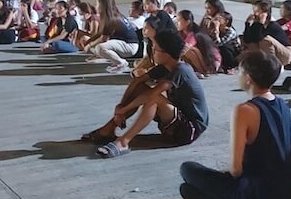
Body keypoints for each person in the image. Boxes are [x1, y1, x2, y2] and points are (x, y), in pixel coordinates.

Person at [179, 51, 291, 199]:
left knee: (188, 169)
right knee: (188, 190)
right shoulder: (282, 105)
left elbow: (236, 170)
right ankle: (221, 197)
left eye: (240, 72)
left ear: (248, 78)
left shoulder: (245, 110)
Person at [88, 29, 208, 157]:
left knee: (154, 98)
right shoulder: (165, 67)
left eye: (155, 49)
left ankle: (124, 142)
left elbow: (152, 94)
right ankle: (108, 130)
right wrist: (121, 106)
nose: (152, 52)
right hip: (175, 120)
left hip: (189, 130)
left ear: (166, 54)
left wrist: (123, 110)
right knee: (140, 87)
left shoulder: (181, 70)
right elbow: (136, 82)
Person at [88, 0, 141, 73]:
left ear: (103, 6)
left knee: (100, 47)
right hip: (127, 44)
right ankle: (110, 59)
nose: (96, 6)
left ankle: (121, 62)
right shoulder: (114, 14)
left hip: (130, 46)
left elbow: (103, 39)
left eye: (97, 4)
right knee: (96, 48)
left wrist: (89, 45)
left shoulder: (111, 18)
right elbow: (100, 34)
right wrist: (89, 43)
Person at [241, 0, 291, 66]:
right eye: (254, 11)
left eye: (258, 11)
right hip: (274, 51)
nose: (255, 14)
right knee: (247, 41)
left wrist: (261, 23)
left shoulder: (272, 25)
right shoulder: (257, 24)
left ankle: (271, 64)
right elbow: (248, 39)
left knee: (265, 40)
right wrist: (247, 24)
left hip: (286, 53)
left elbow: (259, 38)